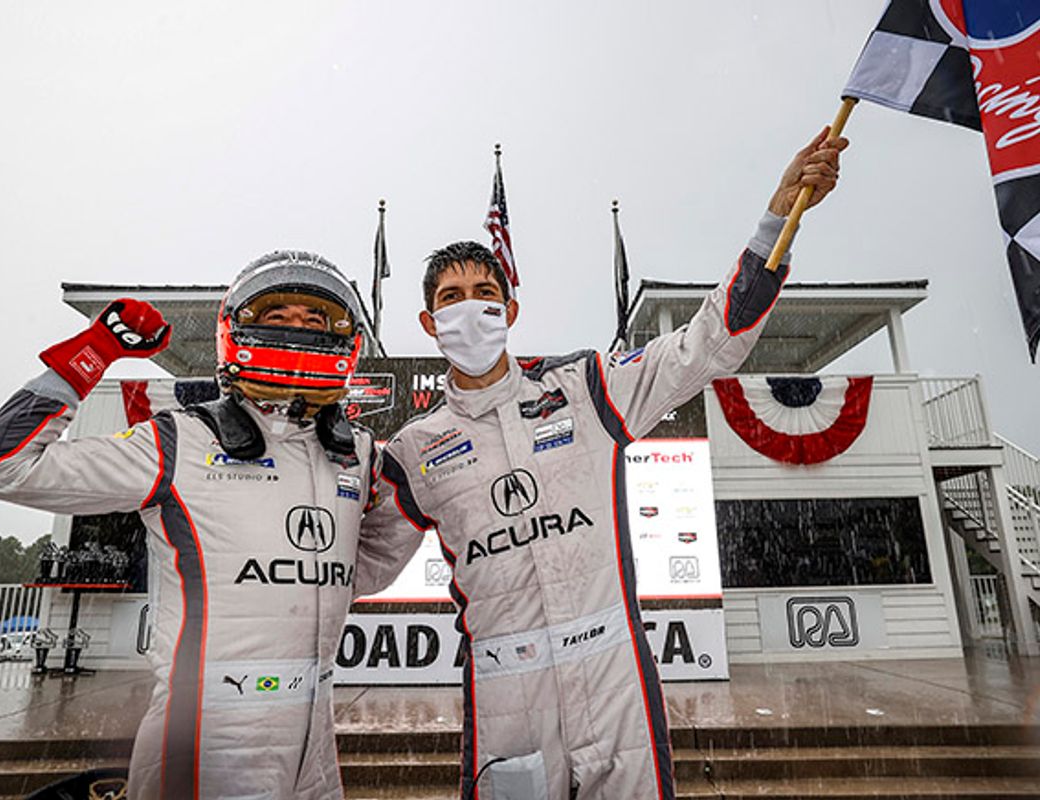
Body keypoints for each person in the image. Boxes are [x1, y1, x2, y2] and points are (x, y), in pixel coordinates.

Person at [355, 129, 848, 799]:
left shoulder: (587, 388)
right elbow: (356, 565)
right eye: (451, 297)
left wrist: (775, 224)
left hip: (616, 686)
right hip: (507, 703)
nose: (469, 307)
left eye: (484, 293)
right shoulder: (415, 448)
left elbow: (708, 344)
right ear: (428, 322)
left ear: (510, 310)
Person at [0, 251, 377, 800]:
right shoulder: (178, 441)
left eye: (313, 321)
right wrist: (93, 352)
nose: (296, 331)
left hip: (316, 749)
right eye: (277, 317)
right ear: (236, 331)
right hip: (204, 740)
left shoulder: (354, 454)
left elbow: (367, 566)